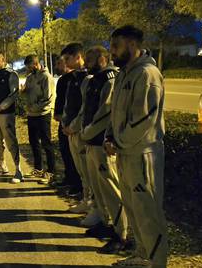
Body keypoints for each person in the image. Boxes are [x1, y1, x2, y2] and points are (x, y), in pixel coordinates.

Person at [105, 25, 167, 268]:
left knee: (148, 212)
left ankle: (157, 261)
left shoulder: (147, 74)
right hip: (125, 153)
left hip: (143, 155)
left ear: (132, 45)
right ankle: (142, 256)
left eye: (115, 46)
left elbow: (144, 119)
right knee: (132, 208)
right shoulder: (125, 73)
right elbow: (115, 112)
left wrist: (117, 141)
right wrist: (110, 138)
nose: (112, 52)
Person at [79, 46, 128, 254]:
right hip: (92, 142)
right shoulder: (94, 79)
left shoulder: (109, 78)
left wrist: (88, 131)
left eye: (89, 59)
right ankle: (107, 224)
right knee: (99, 189)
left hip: (101, 143)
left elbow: (106, 111)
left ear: (101, 59)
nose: (85, 63)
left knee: (111, 189)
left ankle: (121, 235)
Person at [60, 42, 101, 227]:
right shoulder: (74, 77)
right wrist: (64, 123)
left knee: (90, 173)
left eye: (68, 58)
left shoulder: (87, 78)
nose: (65, 62)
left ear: (78, 56)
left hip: (81, 132)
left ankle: (95, 208)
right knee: (82, 171)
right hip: (71, 131)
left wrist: (74, 126)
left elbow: (85, 108)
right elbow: (69, 105)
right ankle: (86, 201)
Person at [0, 51, 22, 183]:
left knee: (11, 141)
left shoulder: (11, 74)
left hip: (6, 114)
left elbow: (14, 94)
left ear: (3, 59)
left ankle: (18, 170)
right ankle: (3, 165)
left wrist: (0, 107)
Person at [20, 55, 56, 184]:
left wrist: (34, 107)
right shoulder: (30, 77)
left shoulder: (46, 77)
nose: (27, 70)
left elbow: (48, 98)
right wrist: (23, 91)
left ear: (35, 64)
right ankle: (38, 168)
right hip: (32, 115)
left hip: (43, 114)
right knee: (34, 142)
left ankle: (51, 171)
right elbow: (28, 92)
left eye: (29, 67)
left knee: (46, 143)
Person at [53, 57, 82, 192]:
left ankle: (77, 184)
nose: (57, 66)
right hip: (63, 122)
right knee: (65, 151)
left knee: (73, 155)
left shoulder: (76, 78)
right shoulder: (62, 80)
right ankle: (68, 178)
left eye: (59, 63)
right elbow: (60, 99)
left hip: (73, 123)